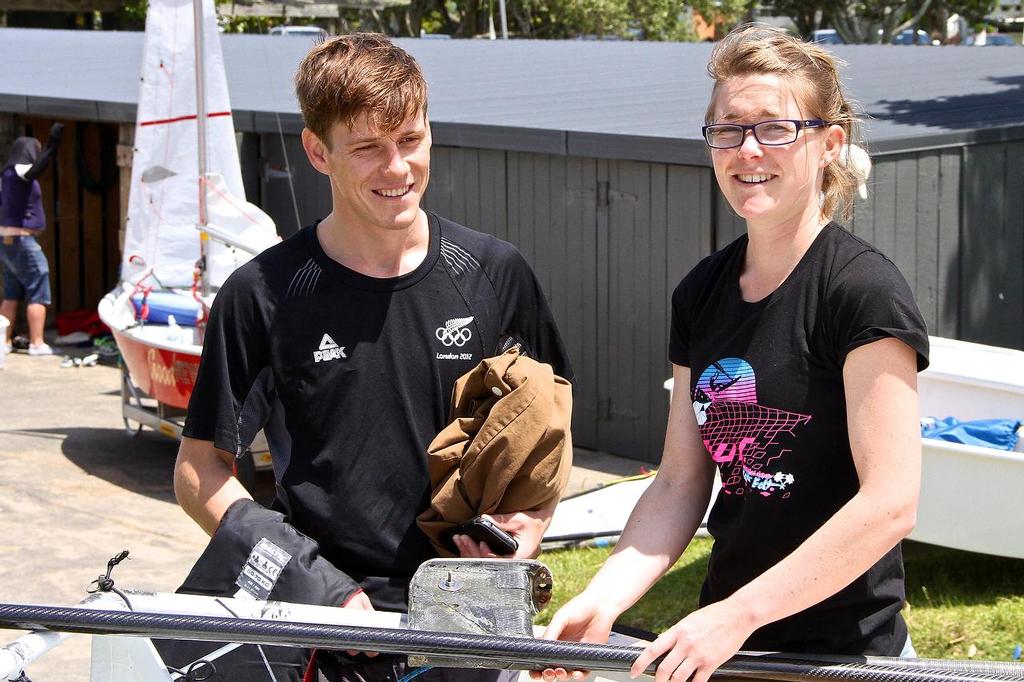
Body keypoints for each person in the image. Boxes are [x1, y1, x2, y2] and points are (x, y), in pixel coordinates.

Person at [174, 33, 572, 681]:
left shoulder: (495, 273)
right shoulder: (261, 295)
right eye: (367, 148)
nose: (397, 168)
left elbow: (549, 430)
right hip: (333, 625)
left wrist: (526, 523)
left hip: (470, 612)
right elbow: (198, 471)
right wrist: (312, 585)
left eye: (411, 140)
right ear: (317, 152)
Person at [539, 25, 929, 682]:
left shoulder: (862, 292)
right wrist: (601, 598)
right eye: (729, 128)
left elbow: (891, 501)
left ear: (829, 143)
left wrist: (738, 615)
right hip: (726, 651)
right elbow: (680, 481)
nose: (748, 150)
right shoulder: (702, 292)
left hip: (845, 656)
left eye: (775, 128)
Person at [0, 123, 63, 356]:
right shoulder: (18, 170)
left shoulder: (4, 176)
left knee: (11, 293)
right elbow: (38, 167)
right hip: (23, 242)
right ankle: (37, 343)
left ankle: (4, 342)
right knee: (38, 289)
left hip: (6, 242)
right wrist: (53, 141)